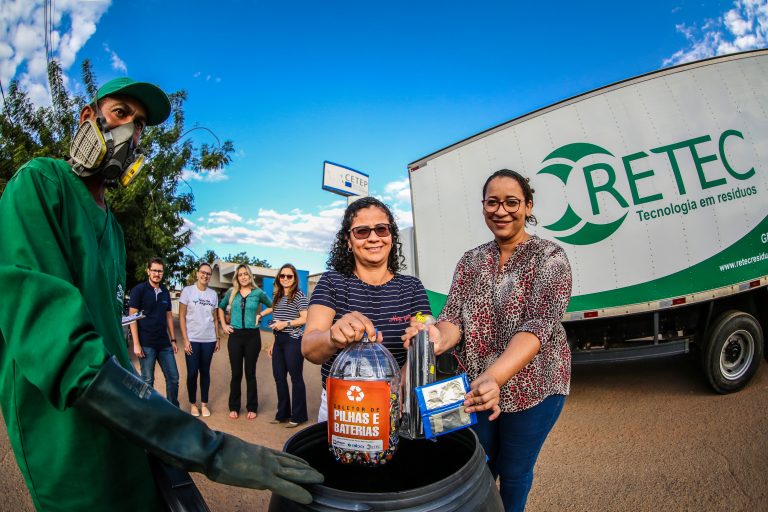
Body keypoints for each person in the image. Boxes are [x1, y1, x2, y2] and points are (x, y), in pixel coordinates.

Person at [0, 77, 322, 511]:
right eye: (120, 114)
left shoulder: (113, 228)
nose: (129, 134)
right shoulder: (40, 183)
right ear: (87, 118)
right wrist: (208, 448)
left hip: (124, 423)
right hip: (66, 434)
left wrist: (149, 424)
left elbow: (110, 336)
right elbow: (58, 344)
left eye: (139, 127)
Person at [403, 169, 572, 512]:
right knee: (478, 467)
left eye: (512, 202)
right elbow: (453, 318)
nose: (501, 211)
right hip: (477, 390)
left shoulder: (550, 257)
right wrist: (435, 336)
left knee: (513, 472)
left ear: (528, 206)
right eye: (492, 202)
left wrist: (495, 376)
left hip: (535, 388)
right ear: (483, 207)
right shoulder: (471, 261)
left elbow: (538, 325)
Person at [303, 197, 432, 422]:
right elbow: (309, 347)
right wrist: (333, 336)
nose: (374, 237)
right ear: (348, 241)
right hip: (341, 407)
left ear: (391, 237)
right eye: (362, 231)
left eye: (382, 229)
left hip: (397, 406)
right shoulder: (332, 282)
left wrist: (405, 377)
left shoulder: (412, 287)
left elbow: (426, 339)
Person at [218, 264, 273, 420]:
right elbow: (220, 308)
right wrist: (223, 324)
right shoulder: (231, 292)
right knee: (236, 373)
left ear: (250, 277)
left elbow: (271, 306)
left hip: (252, 337)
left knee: (250, 373)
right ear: (237, 277)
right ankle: (234, 406)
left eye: (246, 274)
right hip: (235, 336)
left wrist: (260, 315)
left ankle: (252, 407)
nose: (243, 277)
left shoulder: (258, 293)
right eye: (240, 274)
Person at [129, 257, 180, 406]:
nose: (157, 274)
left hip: (164, 343)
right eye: (154, 270)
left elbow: (169, 316)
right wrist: (136, 344)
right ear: (148, 271)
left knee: (173, 378)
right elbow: (132, 317)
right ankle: (147, 413)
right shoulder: (139, 290)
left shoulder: (165, 292)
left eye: (160, 271)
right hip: (146, 344)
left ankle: (172, 409)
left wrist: (173, 339)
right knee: (147, 380)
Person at [268, 263, 309, 428]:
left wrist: (286, 324)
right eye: (282, 275)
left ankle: (298, 416)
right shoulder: (277, 296)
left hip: (293, 340)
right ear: (279, 278)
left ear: (294, 278)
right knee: (279, 378)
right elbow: (275, 322)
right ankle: (282, 414)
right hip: (279, 341)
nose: (285, 278)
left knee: (296, 378)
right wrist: (273, 343)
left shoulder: (299, 295)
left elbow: (305, 318)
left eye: (289, 276)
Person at [179, 262, 220, 417]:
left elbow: (215, 318)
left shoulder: (213, 294)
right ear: (197, 274)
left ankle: (204, 404)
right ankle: (193, 404)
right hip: (193, 339)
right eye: (203, 272)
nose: (205, 275)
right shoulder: (187, 291)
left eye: (208, 274)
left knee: (205, 372)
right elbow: (182, 316)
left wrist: (217, 338)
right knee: (191, 373)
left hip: (208, 340)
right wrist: (185, 339)